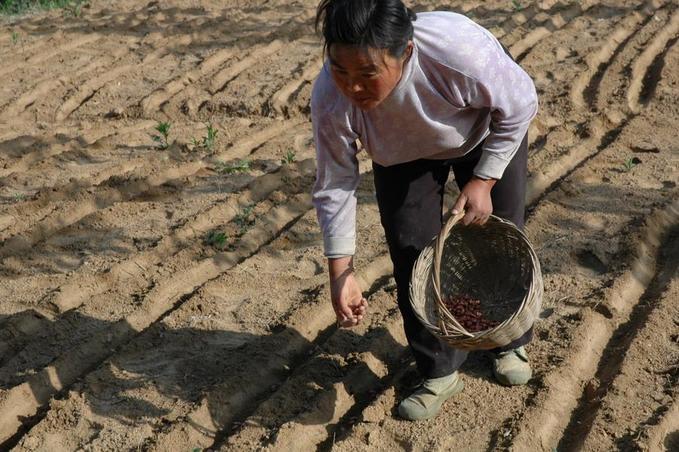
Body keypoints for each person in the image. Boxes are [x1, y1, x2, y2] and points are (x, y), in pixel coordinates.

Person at [310, 0, 538, 421]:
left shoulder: (459, 53)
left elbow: (521, 102)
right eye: (341, 71)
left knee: (496, 233)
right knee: (412, 254)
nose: (352, 88)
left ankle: (508, 341)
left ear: (407, 53)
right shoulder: (330, 98)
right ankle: (439, 370)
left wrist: (484, 180)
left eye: (366, 75)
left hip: (482, 129)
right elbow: (335, 183)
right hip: (400, 155)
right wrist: (340, 272)